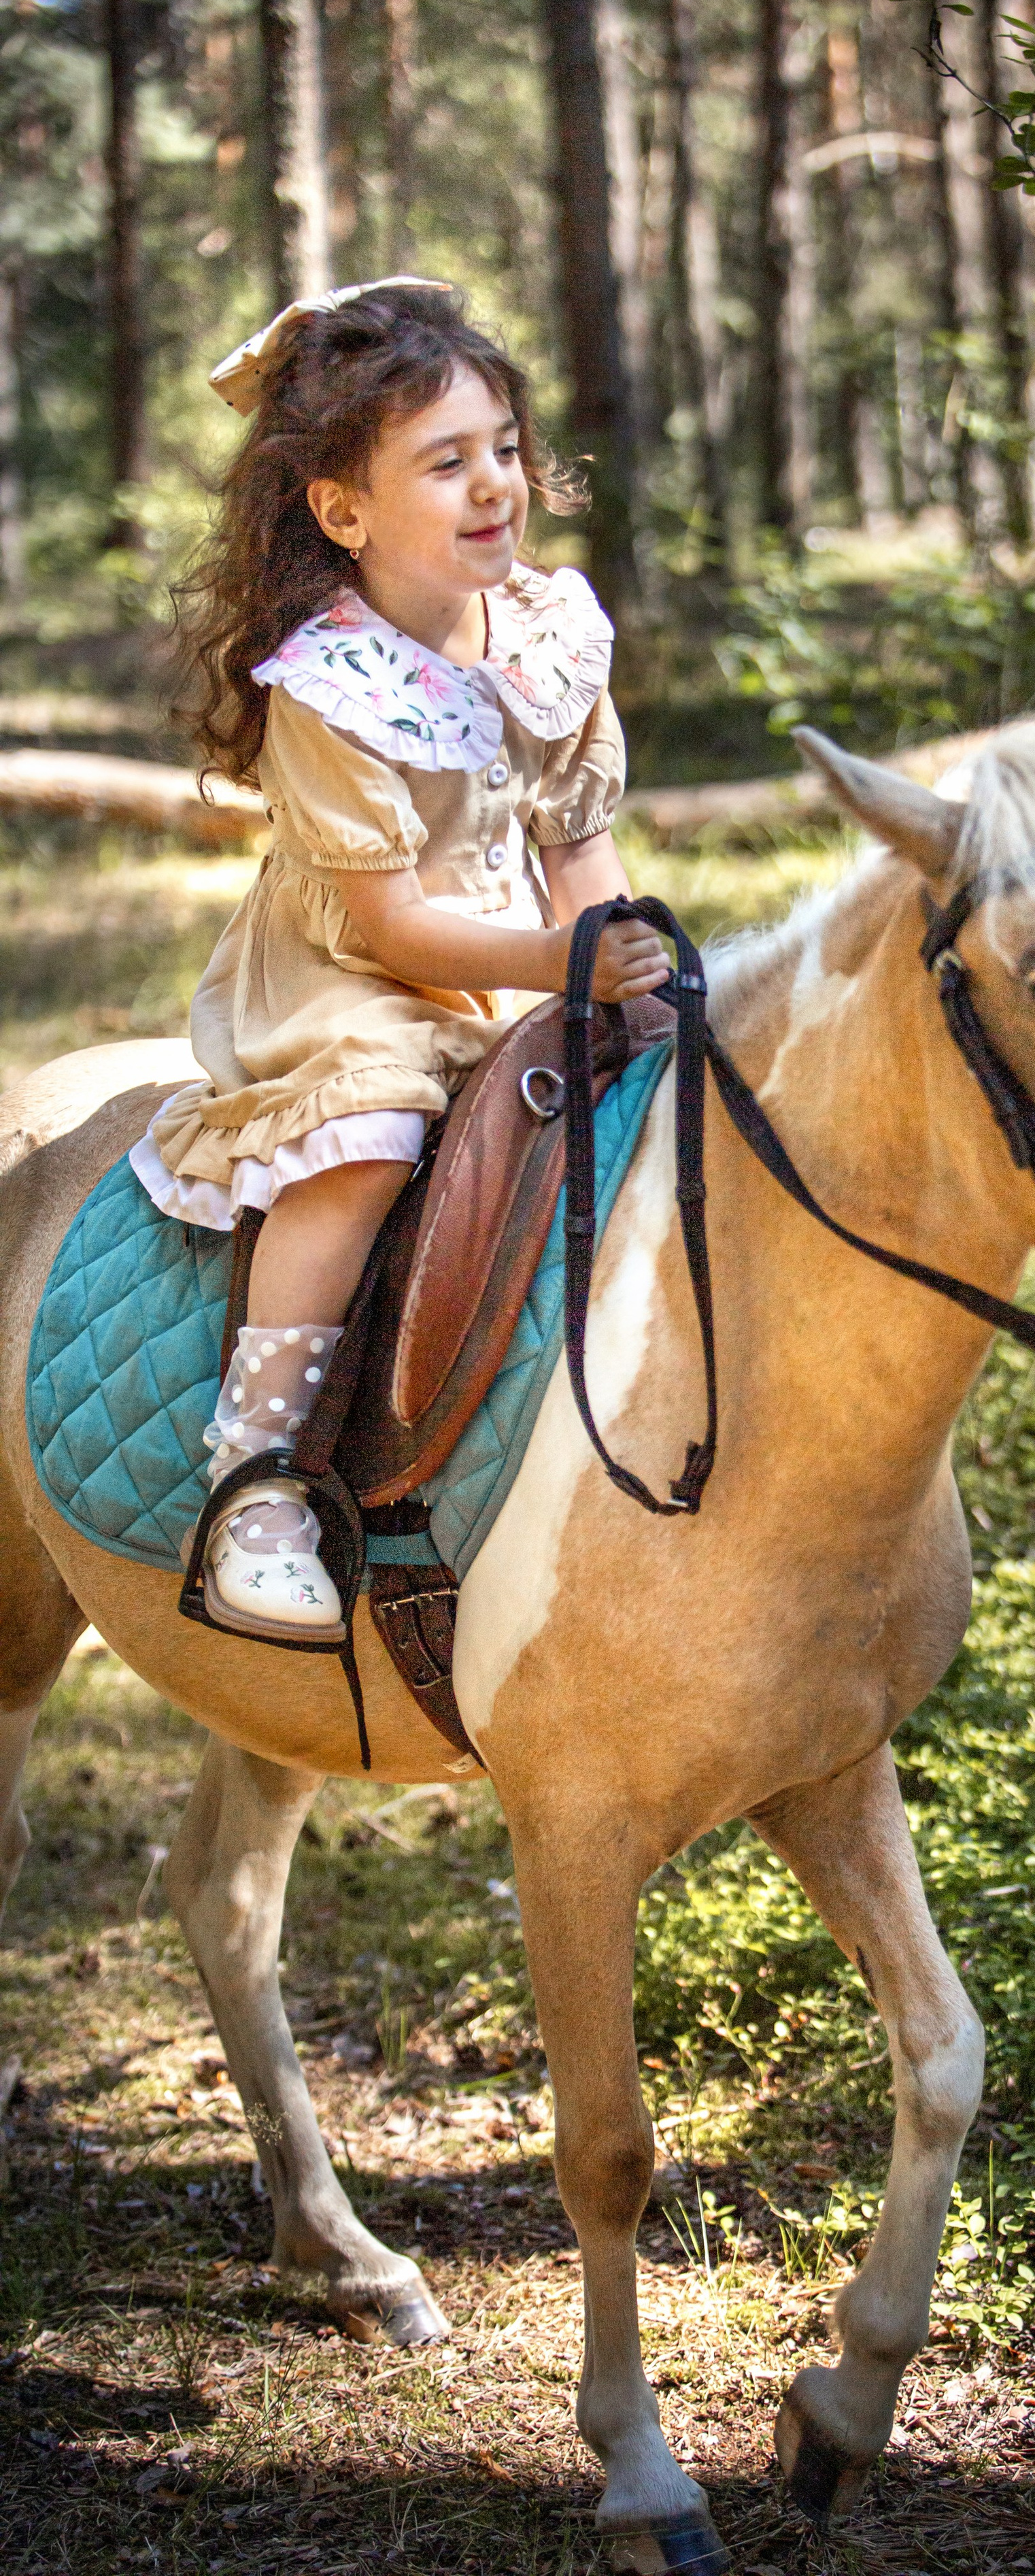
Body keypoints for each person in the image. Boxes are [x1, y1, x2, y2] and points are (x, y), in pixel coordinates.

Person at [131, 278, 668, 1635]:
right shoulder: (332, 688)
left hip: (530, 952)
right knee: (367, 1135)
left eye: (502, 447)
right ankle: (253, 1476)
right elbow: (389, 923)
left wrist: (628, 969)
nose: (494, 485)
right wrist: (561, 962)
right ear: (344, 510)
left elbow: (576, 842)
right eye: (446, 463)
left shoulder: (547, 634)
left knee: (672, 1099)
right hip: (360, 979)